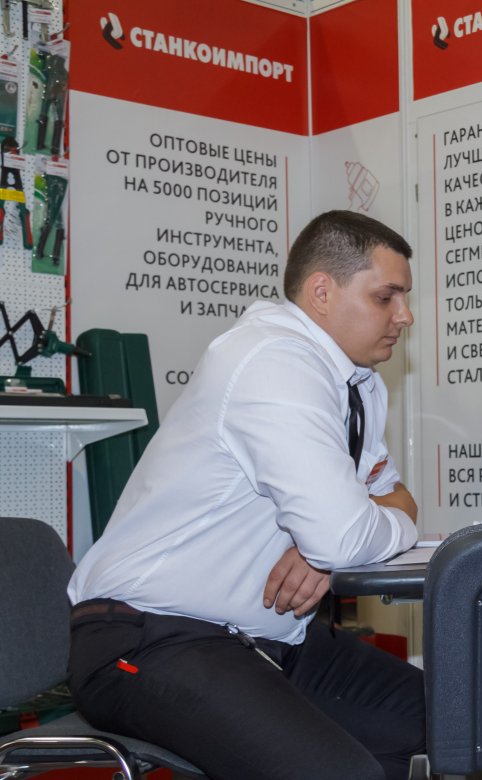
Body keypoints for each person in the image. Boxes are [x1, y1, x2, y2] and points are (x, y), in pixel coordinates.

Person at [67, 210, 425, 780]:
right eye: (387, 297)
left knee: (450, 722)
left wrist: (336, 543)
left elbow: (396, 497)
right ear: (322, 292)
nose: (404, 316)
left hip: (267, 640)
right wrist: (339, 543)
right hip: (151, 638)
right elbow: (345, 535)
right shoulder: (274, 361)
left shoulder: (359, 384)